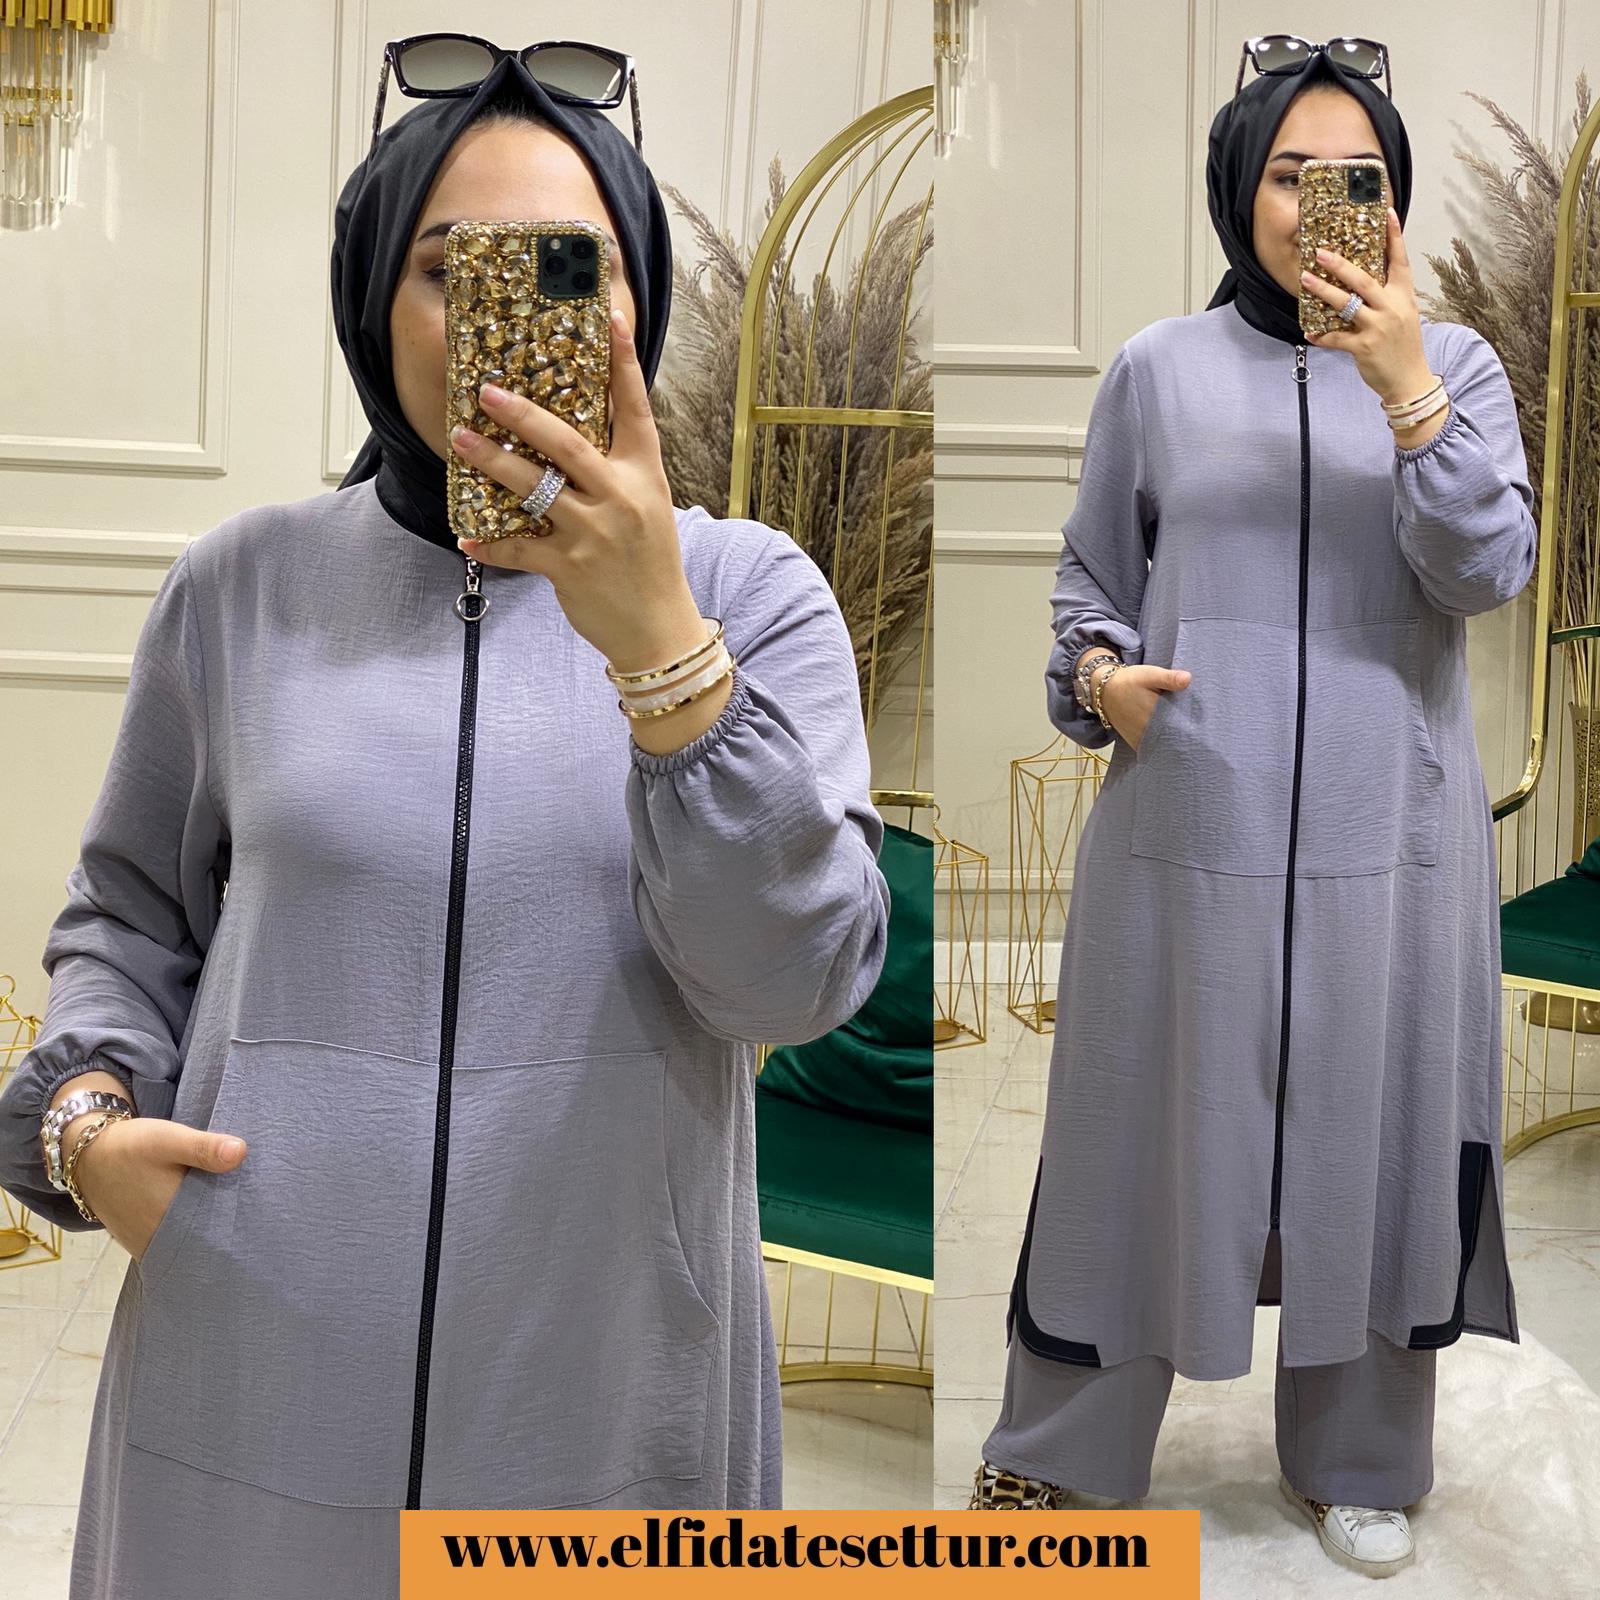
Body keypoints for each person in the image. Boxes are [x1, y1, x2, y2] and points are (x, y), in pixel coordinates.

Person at [0, 49, 890, 1599]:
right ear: (373, 300)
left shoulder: (753, 598)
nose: (507, 314)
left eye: (572, 267)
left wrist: (663, 652)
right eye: (448, 267)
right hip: (255, 1338)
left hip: (606, 1373)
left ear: (635, 304)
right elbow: (131, 920)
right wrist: (86, 1124)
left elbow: (792, 984)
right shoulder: (241, 588)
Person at [967, 40, 1532, 1581]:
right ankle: (1058, 1459)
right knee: (1131, 1134)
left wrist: (1406, 390)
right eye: (1289, 174)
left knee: (1379, 1135)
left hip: (1391, 843)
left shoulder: (1460, 367)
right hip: (1184, 833)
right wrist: (1100, 677)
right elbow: (1090, 577)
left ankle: (1363, 1458)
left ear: (1395, 201)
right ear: (1237, 187)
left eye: (1356, 178)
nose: (1319, 205)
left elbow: (1486, 571)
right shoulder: (1157, 368)